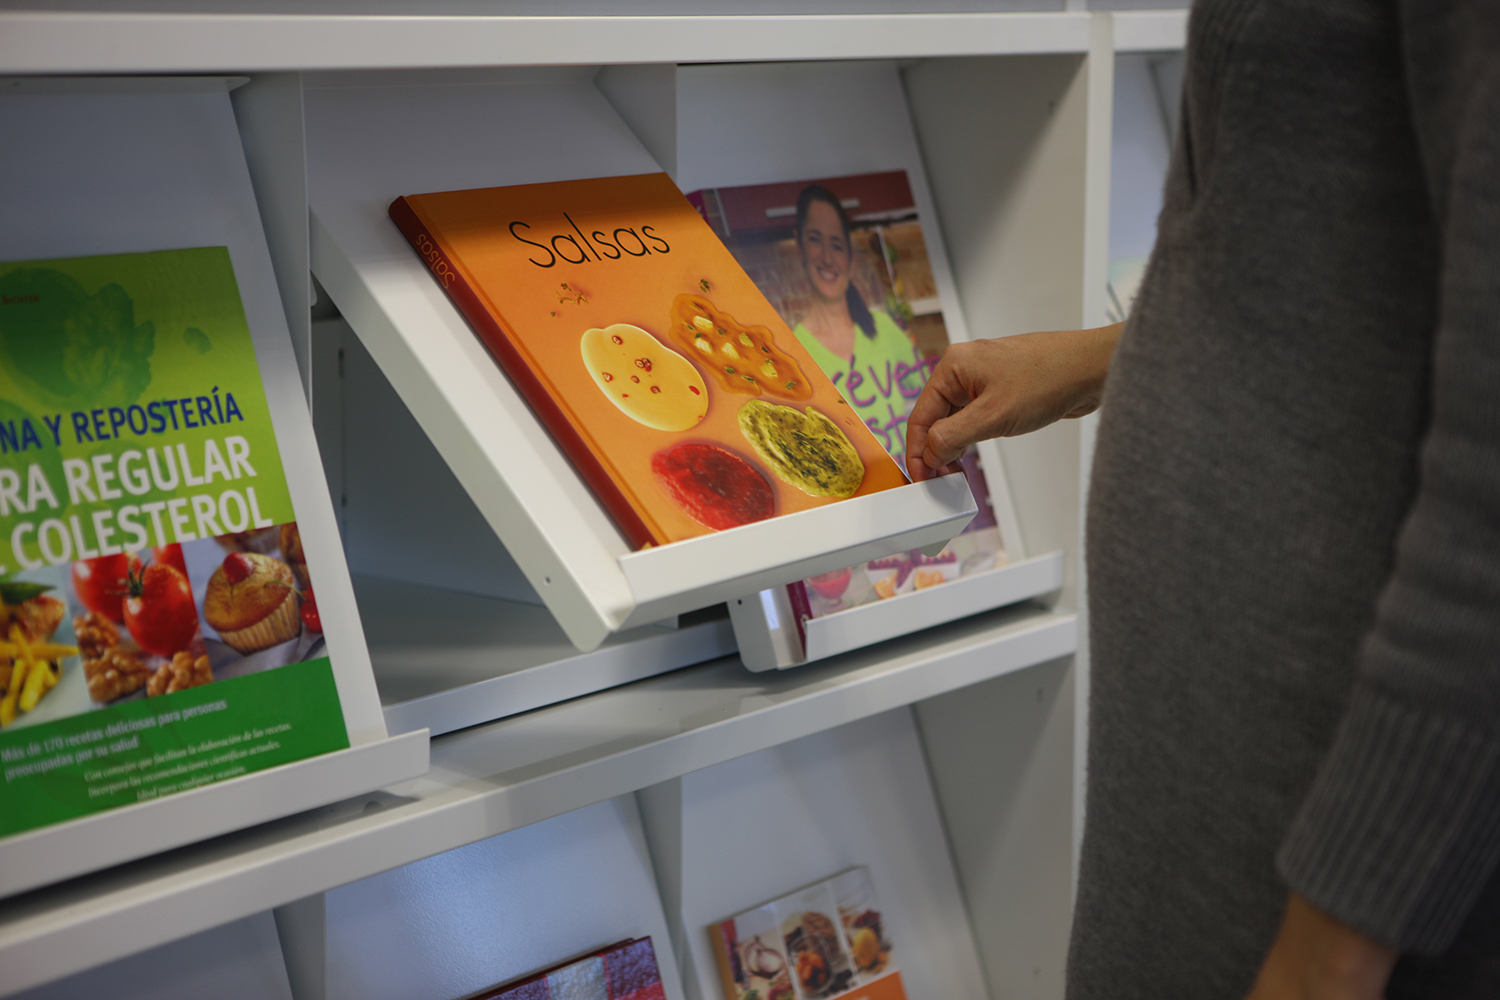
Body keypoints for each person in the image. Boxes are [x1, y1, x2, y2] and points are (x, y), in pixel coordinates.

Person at [907, 3, 1500, 998]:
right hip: (1218, 801)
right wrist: (1115, 356)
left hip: (1326, 848)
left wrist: (1330, 952)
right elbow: (1360, 265)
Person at [790, 184, 928, 463]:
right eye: (815, 240)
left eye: (837, 245)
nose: (827, 257)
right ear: (799, 247)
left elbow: (931, 398)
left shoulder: (884, 327)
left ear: (850, 261)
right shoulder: (793, 353)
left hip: (914, 476)